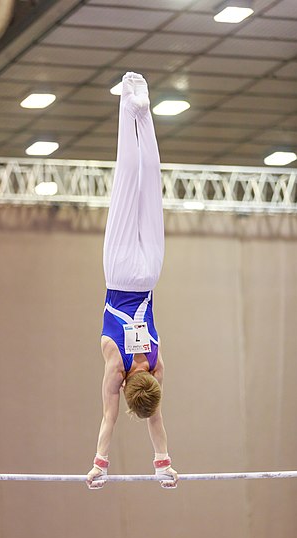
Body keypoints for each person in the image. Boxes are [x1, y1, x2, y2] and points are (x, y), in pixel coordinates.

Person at [86, 72, 178, 490]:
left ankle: (143, 108)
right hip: (120, 272)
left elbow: (155, 418)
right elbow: (108, 420)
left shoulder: (157, 365)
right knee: (127, 181)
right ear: (126, 387)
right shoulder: (115, 366)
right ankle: (128, 99)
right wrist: (99, 466)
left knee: (149, 185)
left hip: (150, 273)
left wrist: (166, 466)